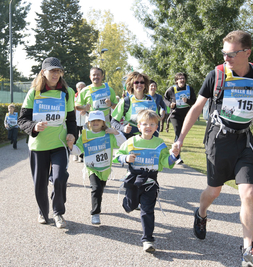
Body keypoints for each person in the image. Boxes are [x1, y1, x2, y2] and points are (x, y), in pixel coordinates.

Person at [174, 31, 253, 267]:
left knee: (249, 194)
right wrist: (180, 139)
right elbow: (196, 108)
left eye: (230, 54)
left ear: (246, 52)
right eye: (224, 53)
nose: (226, 58)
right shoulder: (217, 75)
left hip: (245, 142)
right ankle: (200, 213)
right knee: (214, 192)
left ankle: (248, 252)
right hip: (218, 140)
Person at [18, 57, 77, 229]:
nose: (56, 74)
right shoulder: (34, 93)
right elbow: (22, 120)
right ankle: (43, 212)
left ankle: (58, 213)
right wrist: (34, 127)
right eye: (52, 71)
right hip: (39, 145)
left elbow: (72, 119)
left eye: (58, 71)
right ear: (43, 72)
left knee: (59, 178)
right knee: (40, 183)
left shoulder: (67, 92)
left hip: (59, 144)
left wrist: (72, 135)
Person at [113, 109, 179, 252]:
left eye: (152, 124)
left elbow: (165, 162)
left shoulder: (160, 144)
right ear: (139, 125)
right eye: (145, 124)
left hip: (150, 182)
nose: (148, 127)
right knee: (131, 206)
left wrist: (173, 156)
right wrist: (125, 158)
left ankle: (148, 240)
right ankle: (128, 202)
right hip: (133, 180)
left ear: (157, 127)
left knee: (147, 210)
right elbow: (117, 155)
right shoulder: (131, 142)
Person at [68, 110, 126, 225]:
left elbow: (123, 144)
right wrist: (70, 146)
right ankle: (95, 213)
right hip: (91, 168)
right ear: (88, 122)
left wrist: (116, 132)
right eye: (93, 120)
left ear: (103, 122)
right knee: (96, 188)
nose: (95, 122)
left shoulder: (108, 134)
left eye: (98, 120)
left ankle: (97, 203)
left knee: (100, 189)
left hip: (105, 169)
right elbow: (78, 150)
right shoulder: (85, 135)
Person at [111, 71, 157, 139]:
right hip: (130, 138)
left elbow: (156, 120)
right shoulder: (126, 101)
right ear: (132, 85)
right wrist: (123, 128)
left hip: (147, 138)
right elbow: (113, 122)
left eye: (142, 82)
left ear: (145, 85)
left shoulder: (150, 100)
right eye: (136, 82)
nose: (139, 84)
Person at [164, 72, 196, 164]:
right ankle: (177, 157)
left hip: (186, 115)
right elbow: (165, 99)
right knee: (178, 134)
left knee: (180, 135)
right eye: (179, 78)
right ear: (176, 81)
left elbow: (194, 101)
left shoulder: (190, 89)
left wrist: (187, 101)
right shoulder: (172, 89)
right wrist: (170, 104)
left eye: (183, 78)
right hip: (175, 115)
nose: (181, 80)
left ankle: (173, 151)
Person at [74, 81, 87, 162]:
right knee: (75, 137)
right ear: (77, 89)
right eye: (80, 88)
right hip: (75, 121)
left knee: (83, 138)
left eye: (83, 88)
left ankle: (81, 155)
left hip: (85, 121)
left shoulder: (87, 97)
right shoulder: (74, 97)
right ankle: (75, 154)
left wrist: (86, 111)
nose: (82, 89)